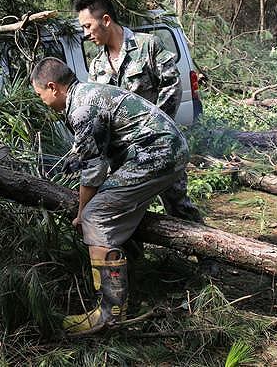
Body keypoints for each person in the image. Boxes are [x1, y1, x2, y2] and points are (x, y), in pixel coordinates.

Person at [30, 57, 189, 333]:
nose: (41, 100)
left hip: (158, 154)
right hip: (162, 151)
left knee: (96, 216)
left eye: (39, 93)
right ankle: (136, 279)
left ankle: (110, 313)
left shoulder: (82, 108)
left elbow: (93, 169)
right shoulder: (85, 95)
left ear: (53, 87)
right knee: (110, 209)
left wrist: (82, 214)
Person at [75, 0, 200, 221]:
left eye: (87, 26)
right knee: (127, 213)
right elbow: (99, 115)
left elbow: (171, 85)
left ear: (105, 20)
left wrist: (151, 130)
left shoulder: (147, 46)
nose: (85, 34)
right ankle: (135, 258)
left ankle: (208, 255)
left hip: (160, 146)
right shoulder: (97, 66)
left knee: (179, 206)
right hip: (123, 157)